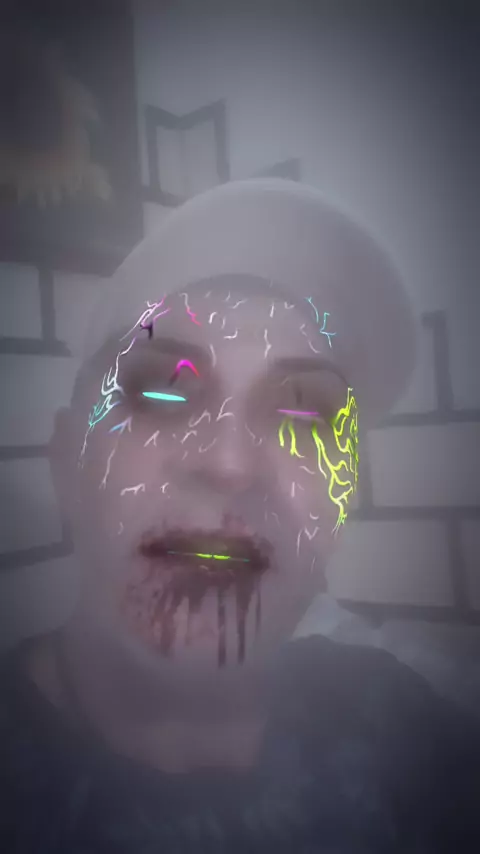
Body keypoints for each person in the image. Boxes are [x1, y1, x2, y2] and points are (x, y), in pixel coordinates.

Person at [1, 179, 479, 853]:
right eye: (163, 391)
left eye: (305, 412)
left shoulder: (404, 725)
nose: (231, 463)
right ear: (64, 461)